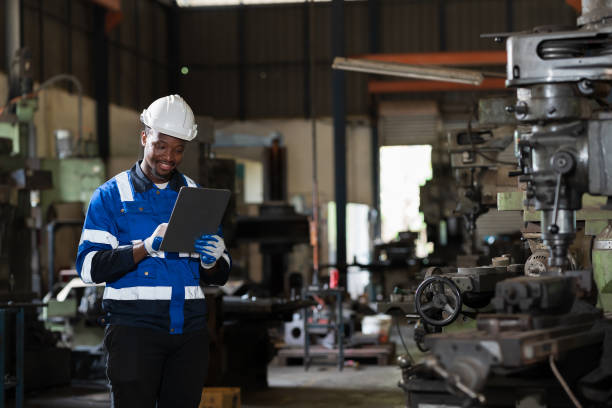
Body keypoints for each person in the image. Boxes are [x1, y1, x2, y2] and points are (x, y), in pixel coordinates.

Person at [76, 94, 230, 408]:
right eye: (161, 145)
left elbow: (219, 276)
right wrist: (144, 247)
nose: (169, 157)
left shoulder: (195, 194)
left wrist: (213, 260)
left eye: (178, 149)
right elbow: (89, 268)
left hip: (188, 332)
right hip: (134, 332)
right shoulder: (109, 196)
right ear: (145, 136)